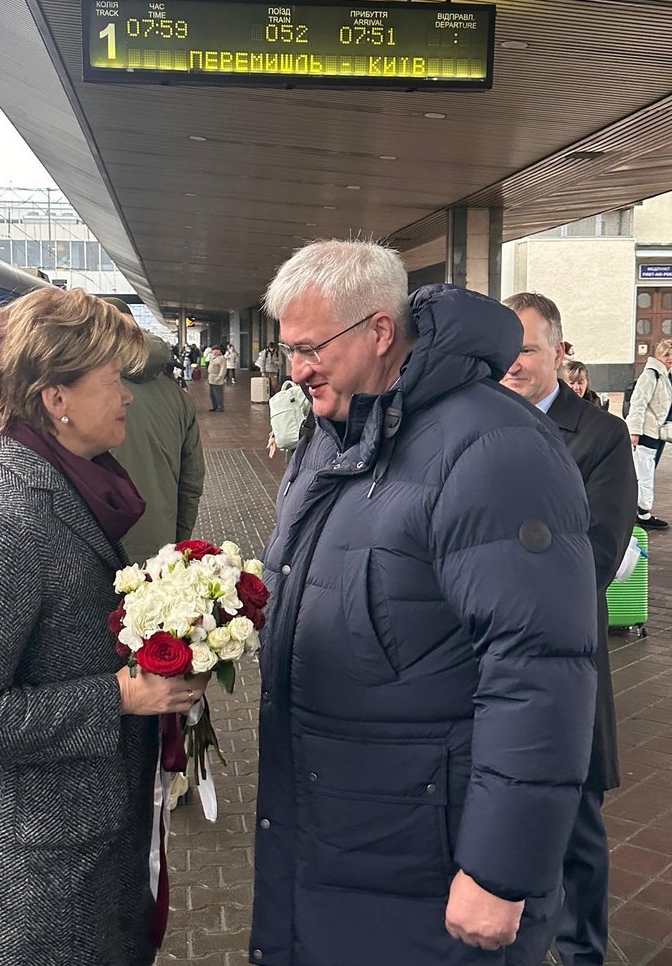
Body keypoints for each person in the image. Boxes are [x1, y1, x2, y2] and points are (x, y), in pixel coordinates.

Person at [250, 240, 598, 966]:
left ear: (380, 332)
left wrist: (499, 871)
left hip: (429, 868)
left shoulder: (494, 447)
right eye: (288, 350)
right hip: (340, 840)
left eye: (312, 347)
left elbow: (537, 669)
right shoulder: (334, 433)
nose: (298, 369)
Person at [0, 288, 209, 966]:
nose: (129, 395)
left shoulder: (70, 480)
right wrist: (122, 696)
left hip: (76, 862)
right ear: (56, 397)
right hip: (25, 897)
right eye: (116, 378)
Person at [502, 292, 637, 966]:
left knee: (574, 820)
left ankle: (583, 951)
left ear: (560, 352)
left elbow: (601, 554)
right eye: (504, 349)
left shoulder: (601, 437)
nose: (513, 363)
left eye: (526, 347)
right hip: (486, 662)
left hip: (563, 661)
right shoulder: (477, 427)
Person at [112, 329, 205, 565]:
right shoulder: (177, 396)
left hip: (103, 549)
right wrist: (177, 542)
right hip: (160, 549)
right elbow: (192, 481)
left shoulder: (86, 391)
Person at [625, 339, 672, 530]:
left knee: (647, 471)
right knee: (643, 472)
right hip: (646, 432)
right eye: (666, 354)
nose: (670, 358)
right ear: (658, 355)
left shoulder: (665, 375)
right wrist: (634, 431)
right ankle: (642, 512)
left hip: (657, 432)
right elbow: (638, 403)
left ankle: (640, 510)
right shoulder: (651, 375)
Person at [207, 345, 227, 412]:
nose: (213, 351)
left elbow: (223, 369)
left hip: (217, 378)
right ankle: (214, 406)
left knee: (218, 394)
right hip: (211, 378)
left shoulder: (222, 358)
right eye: (213, 350)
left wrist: (219, 377)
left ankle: (220, 406)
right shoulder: (213, 357)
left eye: (215, 350)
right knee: (212, 394)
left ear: (219, 350)